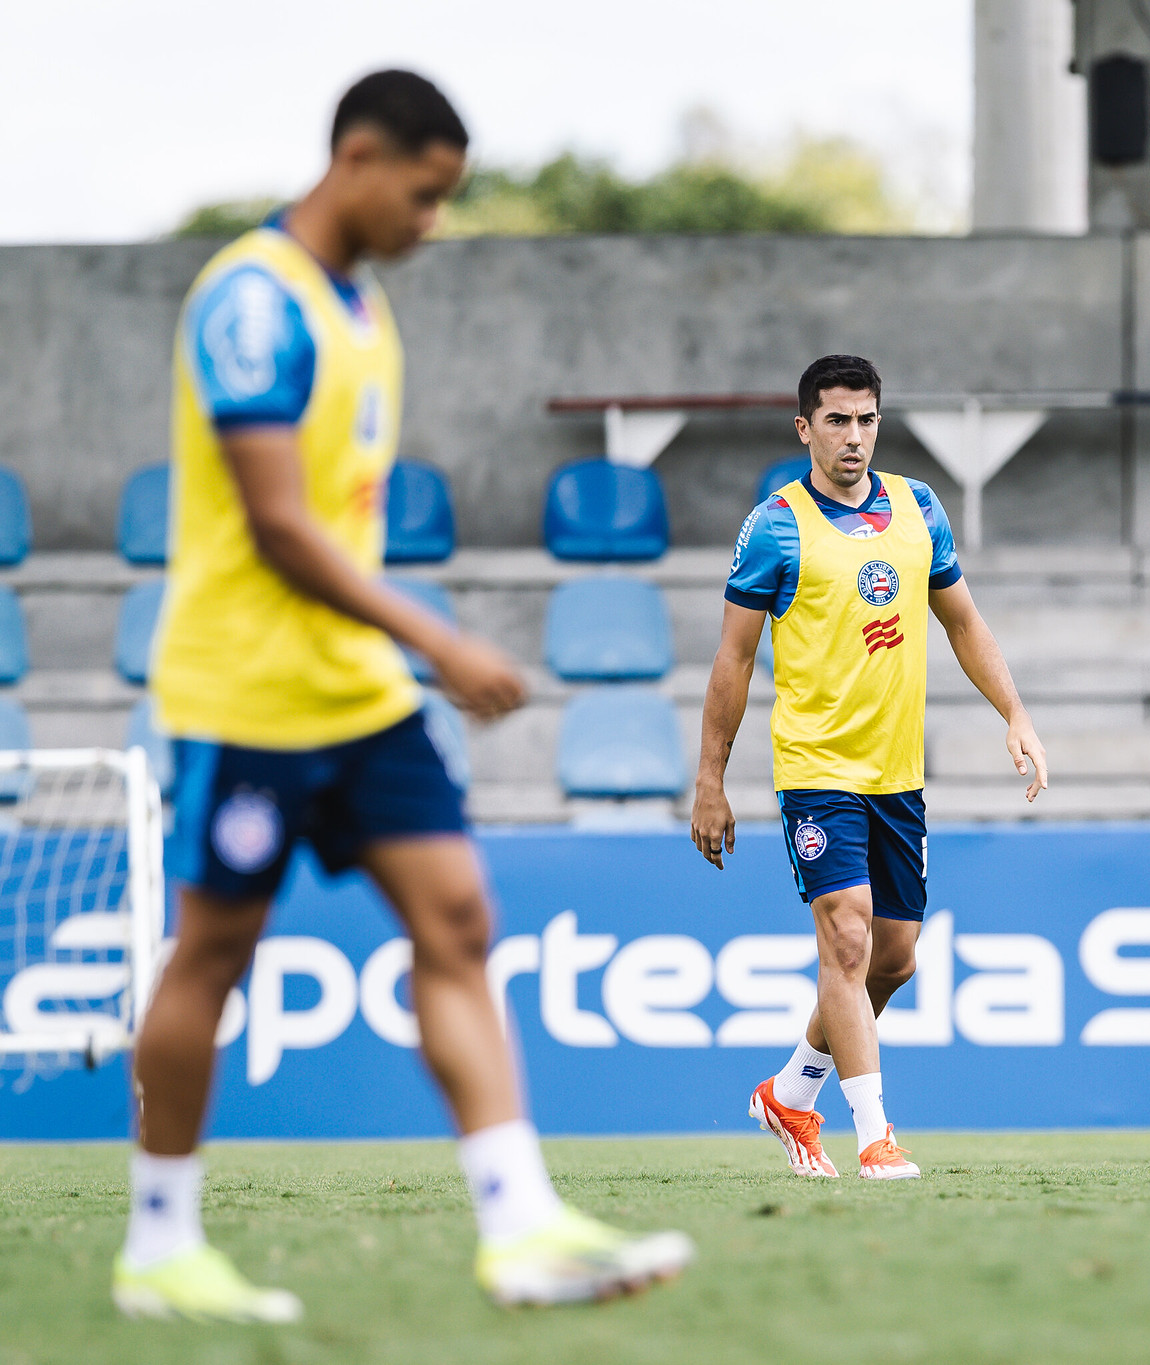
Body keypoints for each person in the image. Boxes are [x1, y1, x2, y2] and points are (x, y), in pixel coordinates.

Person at [119, 71, 690, 1321]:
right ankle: (159, 1243)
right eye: (426, 195)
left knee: (459, 923)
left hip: (358, 692)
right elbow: (276, 526)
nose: (434, 221)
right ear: (361, 157)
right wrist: (440, 640)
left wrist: (402, 654)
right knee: (211, 956)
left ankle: (519, 1223)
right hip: (245, 696)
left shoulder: (361, 308)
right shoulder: (252, 304)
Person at [691, 354, 1050, 1181]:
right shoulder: (775, 525)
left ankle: (789, 1090)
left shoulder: (919, 507)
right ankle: (875, 1134)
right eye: (837, 420)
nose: (854, 436)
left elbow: (962, 621)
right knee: (846, 936)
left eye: (867, 419)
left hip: (899, 776)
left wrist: (1016, 713)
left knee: (892, 958)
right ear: (805, 428)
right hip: (817, 768)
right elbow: (733, 660)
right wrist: (710, 781)